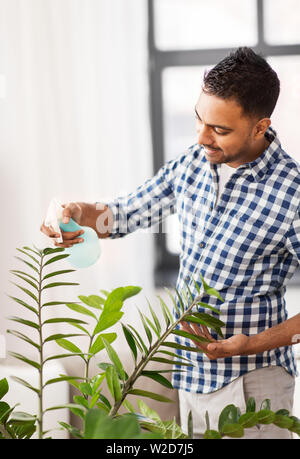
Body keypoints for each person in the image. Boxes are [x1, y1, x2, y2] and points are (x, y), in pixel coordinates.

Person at [41, 47, 300, 439]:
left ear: (260, 127)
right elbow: (124, 213)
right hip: (190, 373)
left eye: (220, 130)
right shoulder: (192, 164)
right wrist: (77, 211)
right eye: (200, 119)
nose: (202, 137)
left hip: (253, 380)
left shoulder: (291, 194)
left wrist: (252, 344)